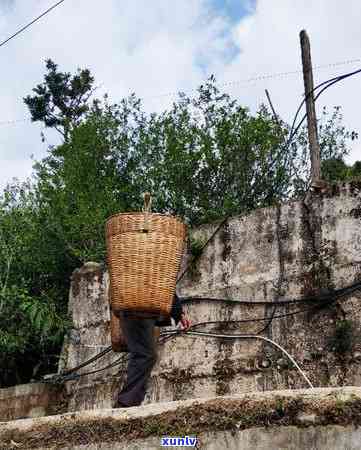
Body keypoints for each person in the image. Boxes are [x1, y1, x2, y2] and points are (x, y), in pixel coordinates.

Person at [116, 294, 190, 408]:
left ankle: (129, 401)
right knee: (145, 355)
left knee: (143, 354)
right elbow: (165, 285)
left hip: (129, 310)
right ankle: (126, 402)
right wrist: (178, 312)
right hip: (140, 311)